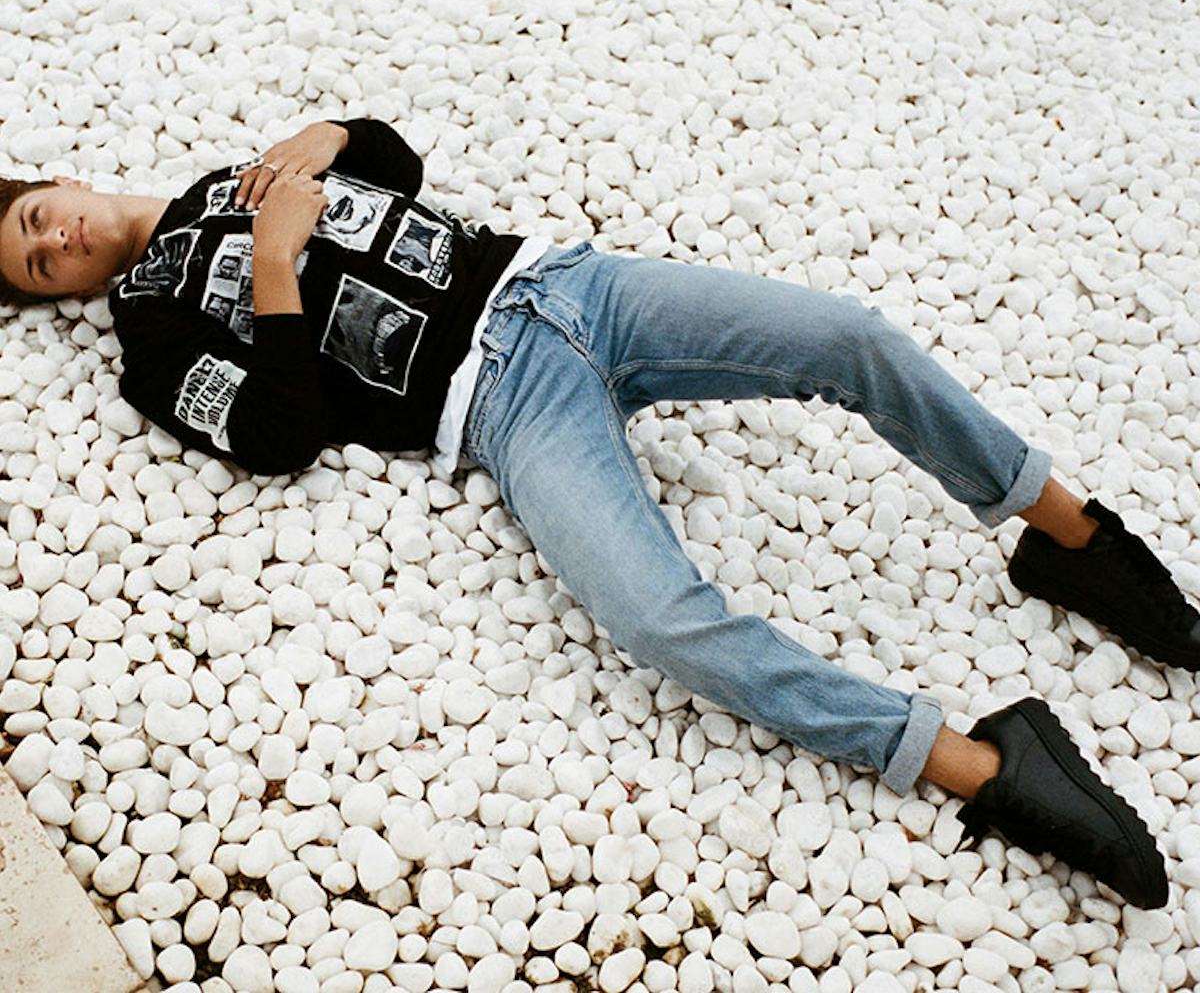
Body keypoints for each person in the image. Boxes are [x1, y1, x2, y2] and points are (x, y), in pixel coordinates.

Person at [1, 116, 1191, 911]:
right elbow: (273, 437)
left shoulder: (235, 173)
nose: (56, 240)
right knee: (662, 623)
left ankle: (1074, 536)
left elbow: (386, 152)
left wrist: (301, 149)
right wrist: (273, 263)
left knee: (852, 336)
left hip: (569, 285)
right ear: (57, 295)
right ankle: (990, 766)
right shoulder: (148, 345)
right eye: (39, 266)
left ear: (56, 179)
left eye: (33, 218)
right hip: (506, 412)